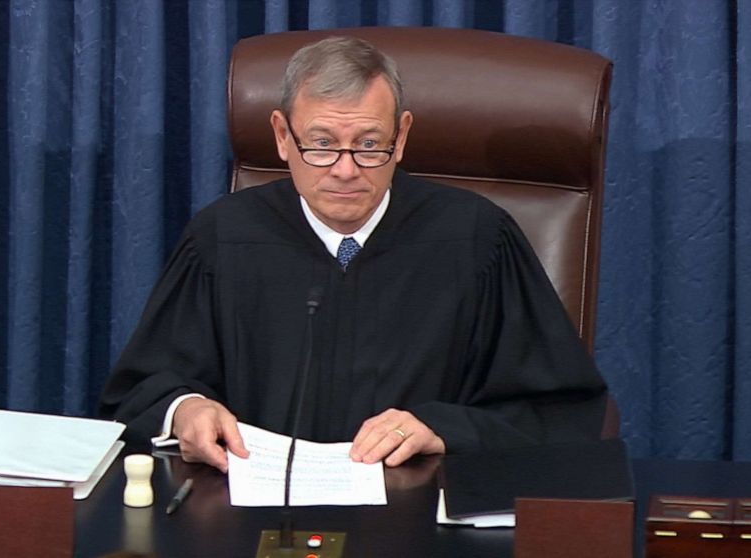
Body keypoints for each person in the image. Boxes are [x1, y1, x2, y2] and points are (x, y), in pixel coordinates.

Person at [99, 36, 607, 473]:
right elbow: (140, 393)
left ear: (402, 136)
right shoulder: (223, 237)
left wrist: (442, 427)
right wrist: (185, 410)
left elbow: (560, 411)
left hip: (422, 516)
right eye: (320, 144)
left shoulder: (477, 239)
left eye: (369, 144)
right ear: (281, 136)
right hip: (249, 514)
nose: (345, 170)